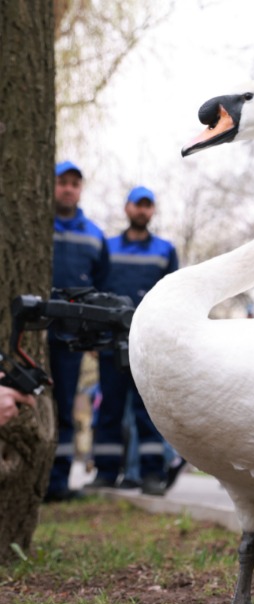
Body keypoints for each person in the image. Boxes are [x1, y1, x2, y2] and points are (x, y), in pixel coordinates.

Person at [91, 186, 180, 495]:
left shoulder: (165, 251)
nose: (142, 211)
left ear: (152, 211)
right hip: (110, 341)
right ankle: (105, 473)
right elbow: (96, 291)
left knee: (147, 409)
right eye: (137, 205)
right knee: (110, 409)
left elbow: (173, 298)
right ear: (127, 208)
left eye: (147, 206)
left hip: (148, 345)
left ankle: (152, 475)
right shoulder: (107, 247)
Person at [46, 160, 110, 502]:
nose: (68, 188)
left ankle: (56, 482)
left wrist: (93, 335)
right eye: (62, 182)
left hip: (70, 335)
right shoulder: (34, 223)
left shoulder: (95, 236)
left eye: (74, 183)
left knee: (65, 404)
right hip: (33, 328)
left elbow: (101, 285)